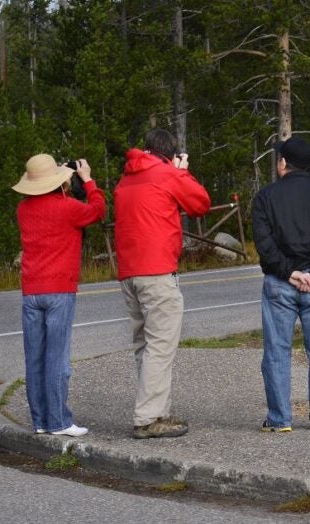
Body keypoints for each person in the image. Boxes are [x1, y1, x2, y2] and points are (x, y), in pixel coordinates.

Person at [114, 128, 210, 439]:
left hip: (129, 272)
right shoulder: (167, 174)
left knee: (145, 345)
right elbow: (200, 203)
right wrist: (181, 172)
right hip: (156, 271)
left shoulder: (127, 178)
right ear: (169, 154)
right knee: (161, 345)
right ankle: (147, 418)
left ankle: (157, 411)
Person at [252, 136, 310, 432]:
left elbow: (264, 244)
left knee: (277, 350)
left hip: (280, 282)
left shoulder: (265, 197)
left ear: (283, 164)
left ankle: (280, 418)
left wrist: (289, 272)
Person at [14, 154, 106, 436]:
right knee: (57, 358)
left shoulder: (23, 209)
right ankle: (59, 422)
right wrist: (87, 179)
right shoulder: (68, 208)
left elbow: (47, 200)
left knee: (35, 358)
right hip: (59, 291)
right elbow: (98, 210)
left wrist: (62, 175)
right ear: (59, 183)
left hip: (31, 291)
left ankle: (40, 421)